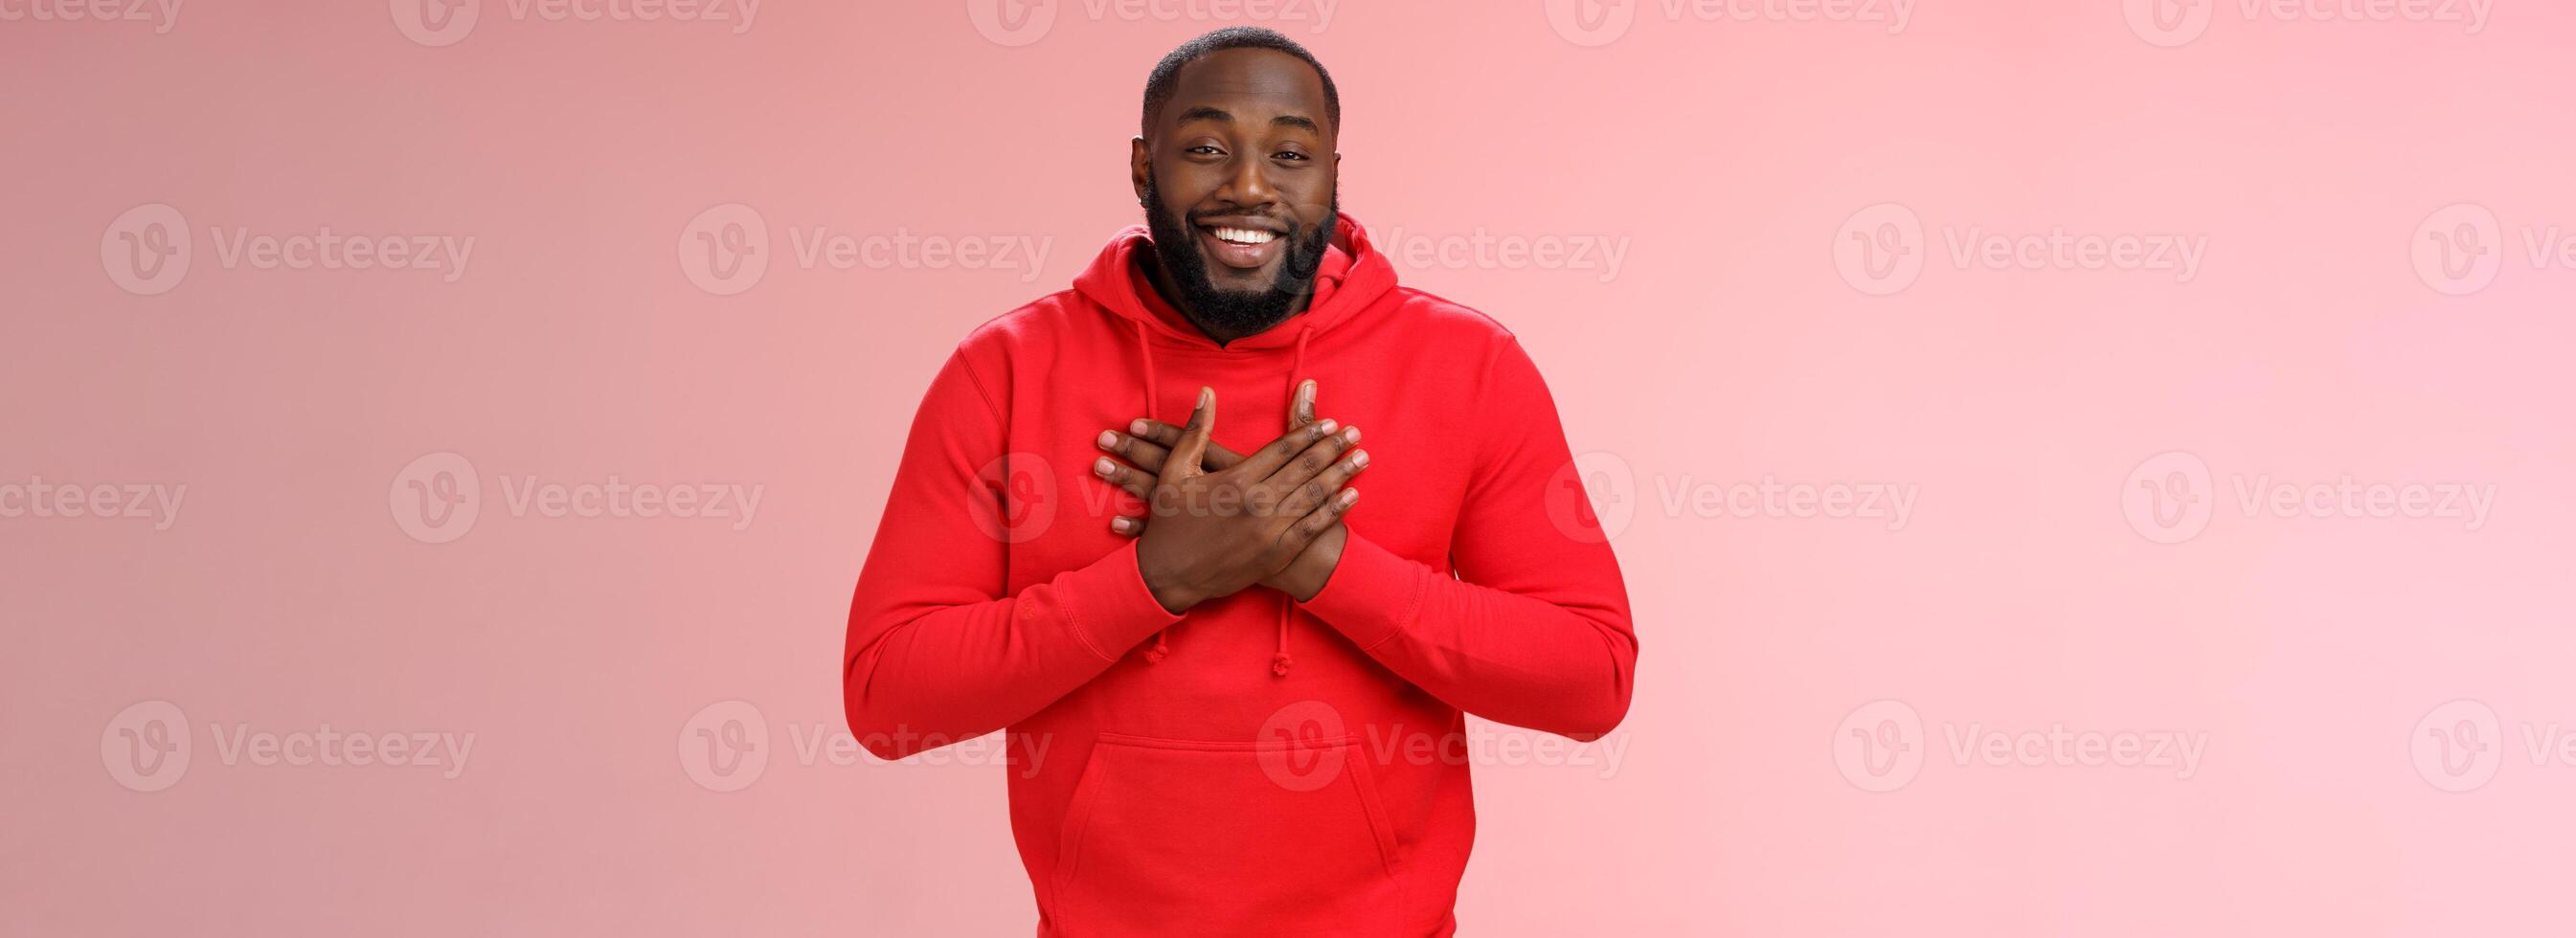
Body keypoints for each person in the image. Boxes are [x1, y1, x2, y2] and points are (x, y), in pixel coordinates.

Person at [844, 27, 1638, 936]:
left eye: (1290, 154)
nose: (1250, 186)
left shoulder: (1468, 366)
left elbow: (1592, 680)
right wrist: (1159, 577)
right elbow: (886, 695)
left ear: (1334, 172)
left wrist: (1317, 564)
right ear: (1143, 167)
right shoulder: (1007, 370)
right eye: (1206, 149)